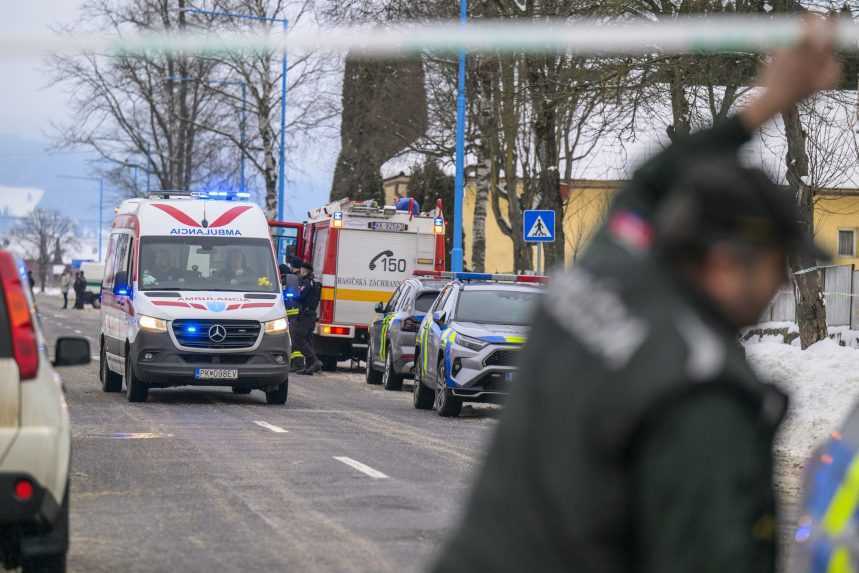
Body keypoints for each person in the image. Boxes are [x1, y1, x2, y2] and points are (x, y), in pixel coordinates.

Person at [430, 19, 841, 573]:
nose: (776, 289)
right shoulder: (699, 391)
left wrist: (765, 104)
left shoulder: (598, 275)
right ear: (726, 262)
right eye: (775, 267)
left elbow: (652, 179)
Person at [293, 261, 323, 375]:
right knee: (308, 340)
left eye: (301, 269)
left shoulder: (306, 282)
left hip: (305, 315)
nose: (300, 271)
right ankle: (310, 366)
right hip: (311, 315)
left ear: (305, 270)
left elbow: (301, 296)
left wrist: (293, 296)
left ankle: (314, 361)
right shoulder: (314, 282)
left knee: (298, 338)